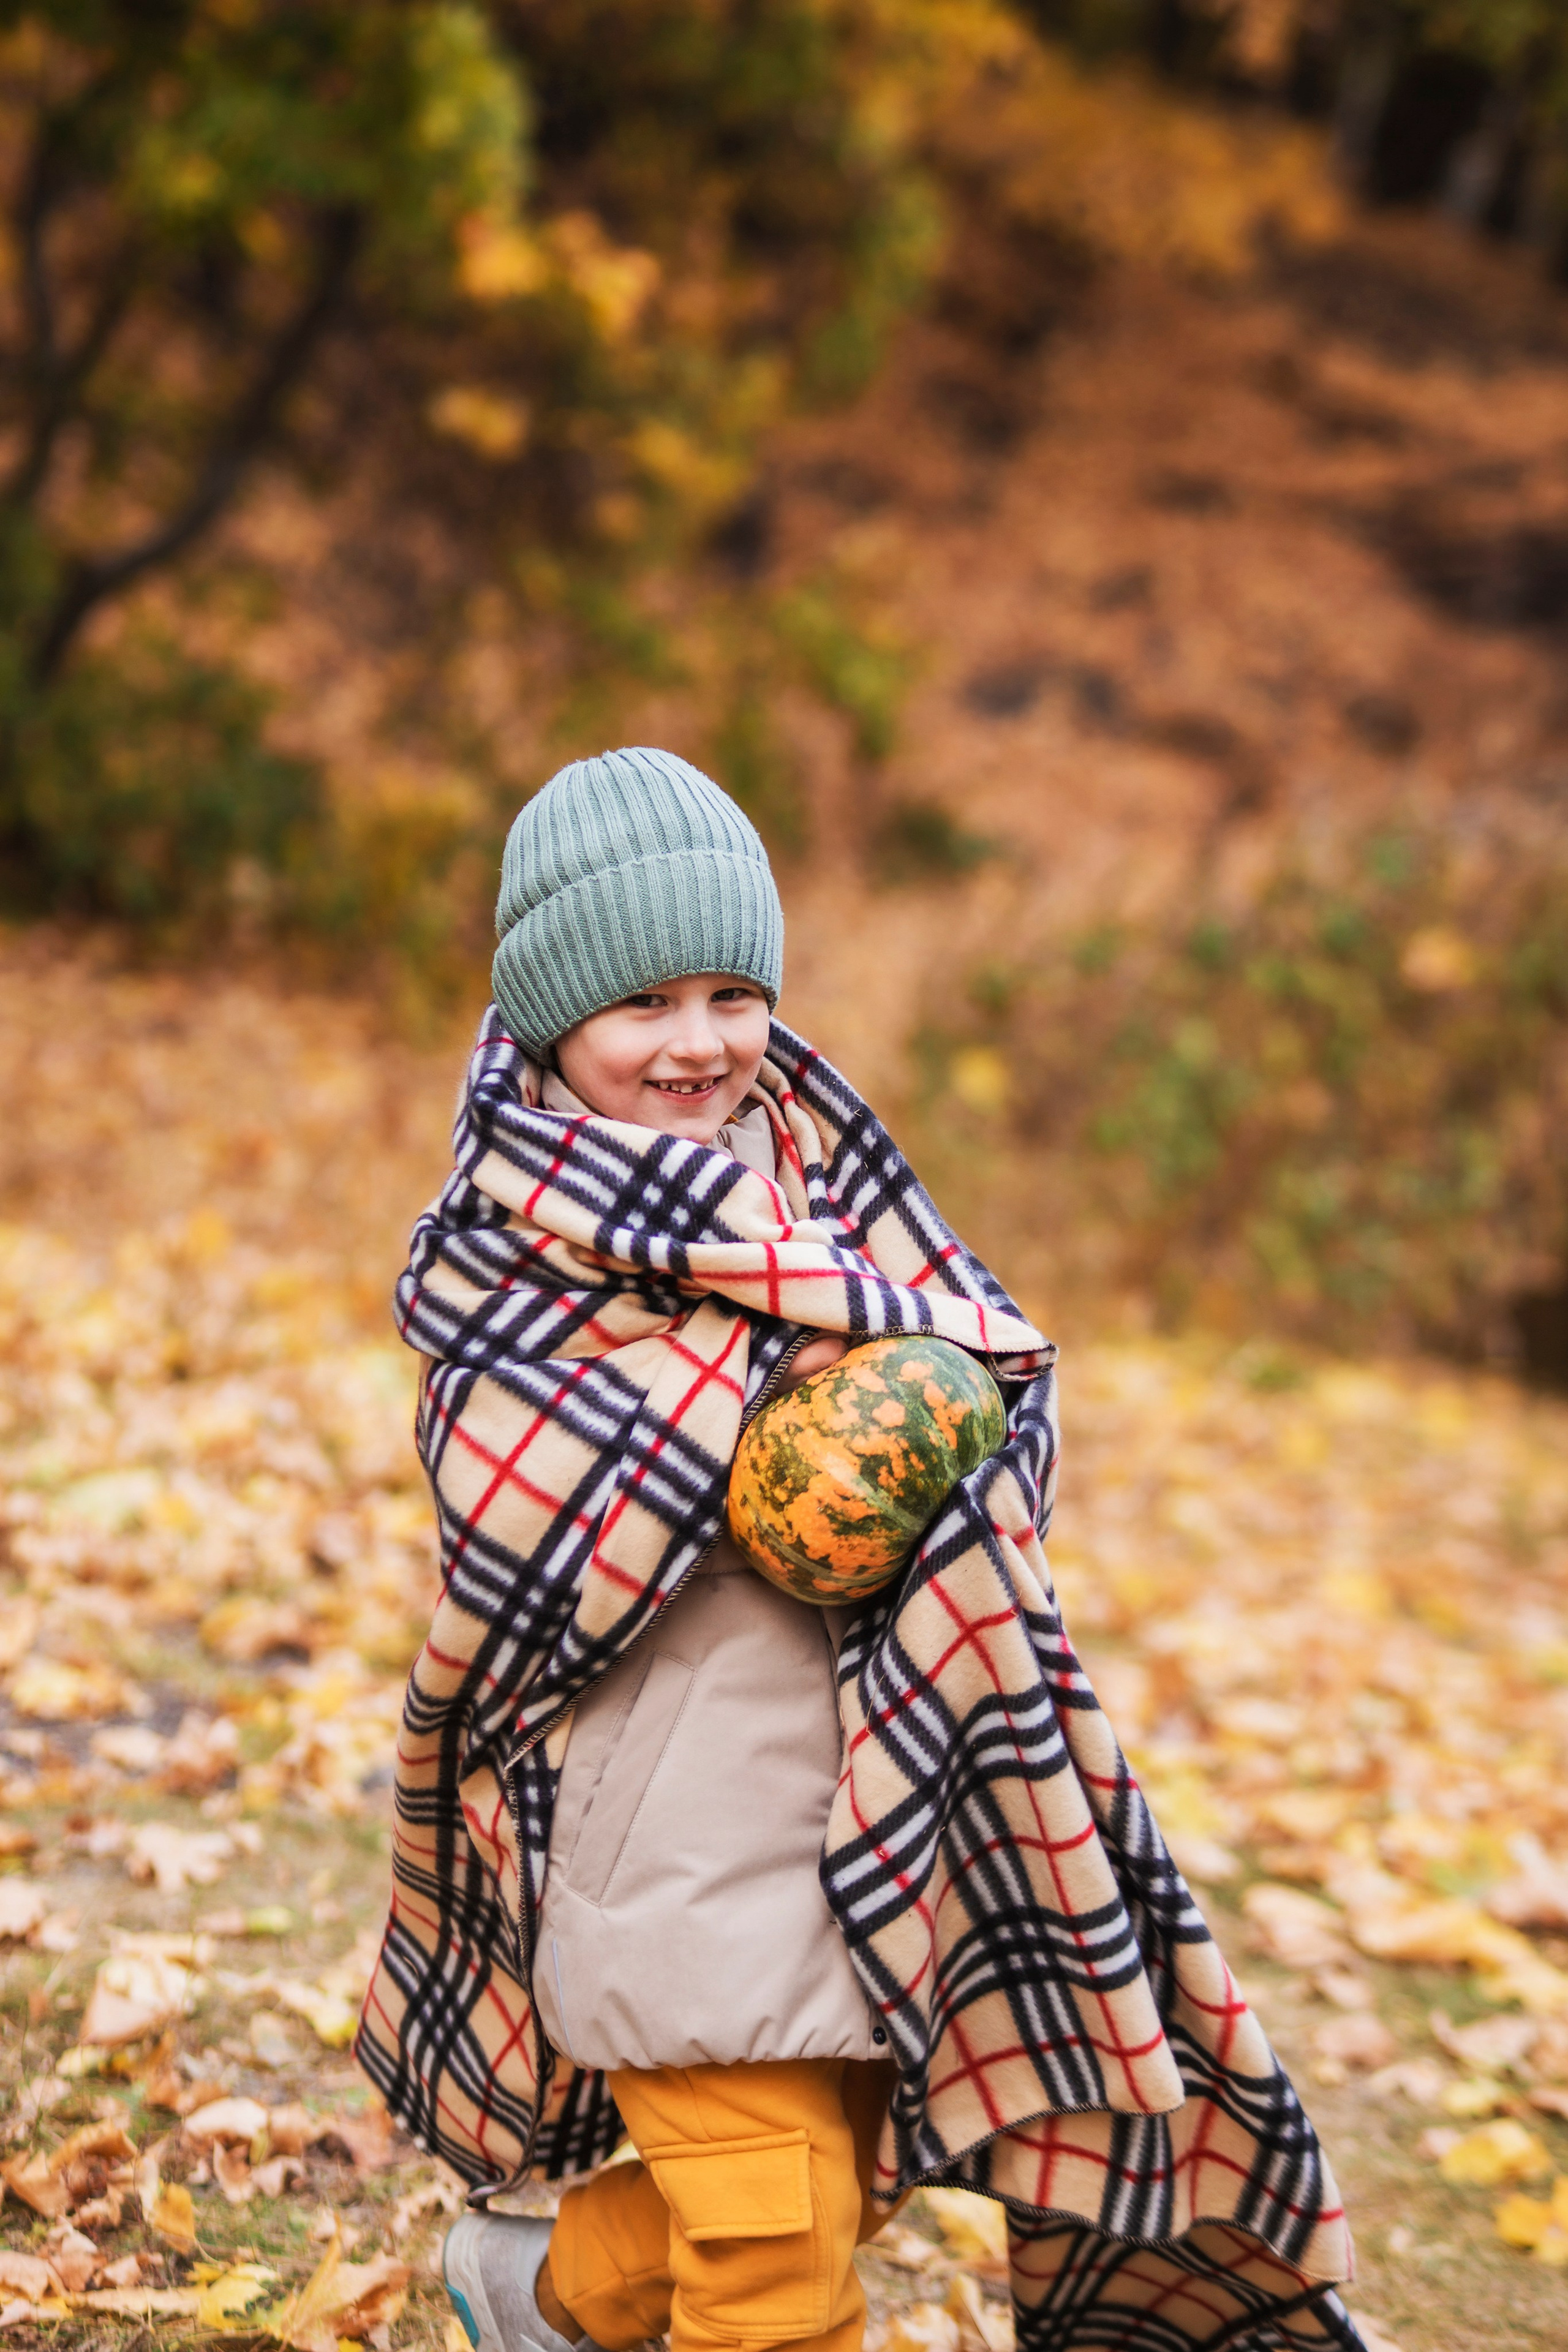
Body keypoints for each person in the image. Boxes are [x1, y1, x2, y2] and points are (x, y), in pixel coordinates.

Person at [356, 748, 1362, 2352]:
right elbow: (517, 1502)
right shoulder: (508, 1243)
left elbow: (974, 1356)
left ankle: (533, 2292)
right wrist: (780, 1423)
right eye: (644, 1007)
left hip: (874, 1802)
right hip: (660, 1828)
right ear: (552, 1017)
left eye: (730, 993)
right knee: (779, 2250)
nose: (699, 1043)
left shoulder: (810, 1182)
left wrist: (924, 1421)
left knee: (841, 2165)